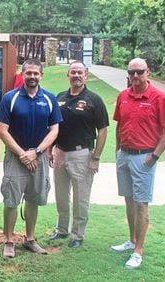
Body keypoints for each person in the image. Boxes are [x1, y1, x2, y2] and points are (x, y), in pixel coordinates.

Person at [0, 59, 63, 257]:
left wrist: (37, 152)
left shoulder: (49, 98)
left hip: (39, 158)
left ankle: (30, 239)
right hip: (16, 158)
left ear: (41, 75)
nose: (32, 76)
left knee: (34, 199)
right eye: (28, 73)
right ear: (22, 74)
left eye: (36, 73)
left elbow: (54, 130)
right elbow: (2, 131)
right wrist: (23, 154)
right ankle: (8, 240)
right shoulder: (11, 98)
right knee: (11, 200)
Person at [111, 58, 165, 269]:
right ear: (128, 74)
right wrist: (118, 150)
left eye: (140, 72)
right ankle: (131, 240)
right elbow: (119, 125)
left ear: (148, 72)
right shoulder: (123, 96)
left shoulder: (160, 98)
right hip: (125, 155)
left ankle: (138, 251)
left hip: (144, 157)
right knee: (129, 200)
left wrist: (155, 156)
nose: (135, 76)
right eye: (132, 72)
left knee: (141, 203)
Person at [48, 61, 109, 248]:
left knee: (81, 197)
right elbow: (53, 127)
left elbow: (103, 130)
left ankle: (78, 234)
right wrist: (50, 149)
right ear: (68, 75)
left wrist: (95, 157)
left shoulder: (94, 99)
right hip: (60, 153)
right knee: (61, 195)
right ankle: (62, 229)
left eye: (79, 72)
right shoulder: (59, 97)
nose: (76, 75)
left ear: (86, 75)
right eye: (73, 72)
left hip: (82, 154)